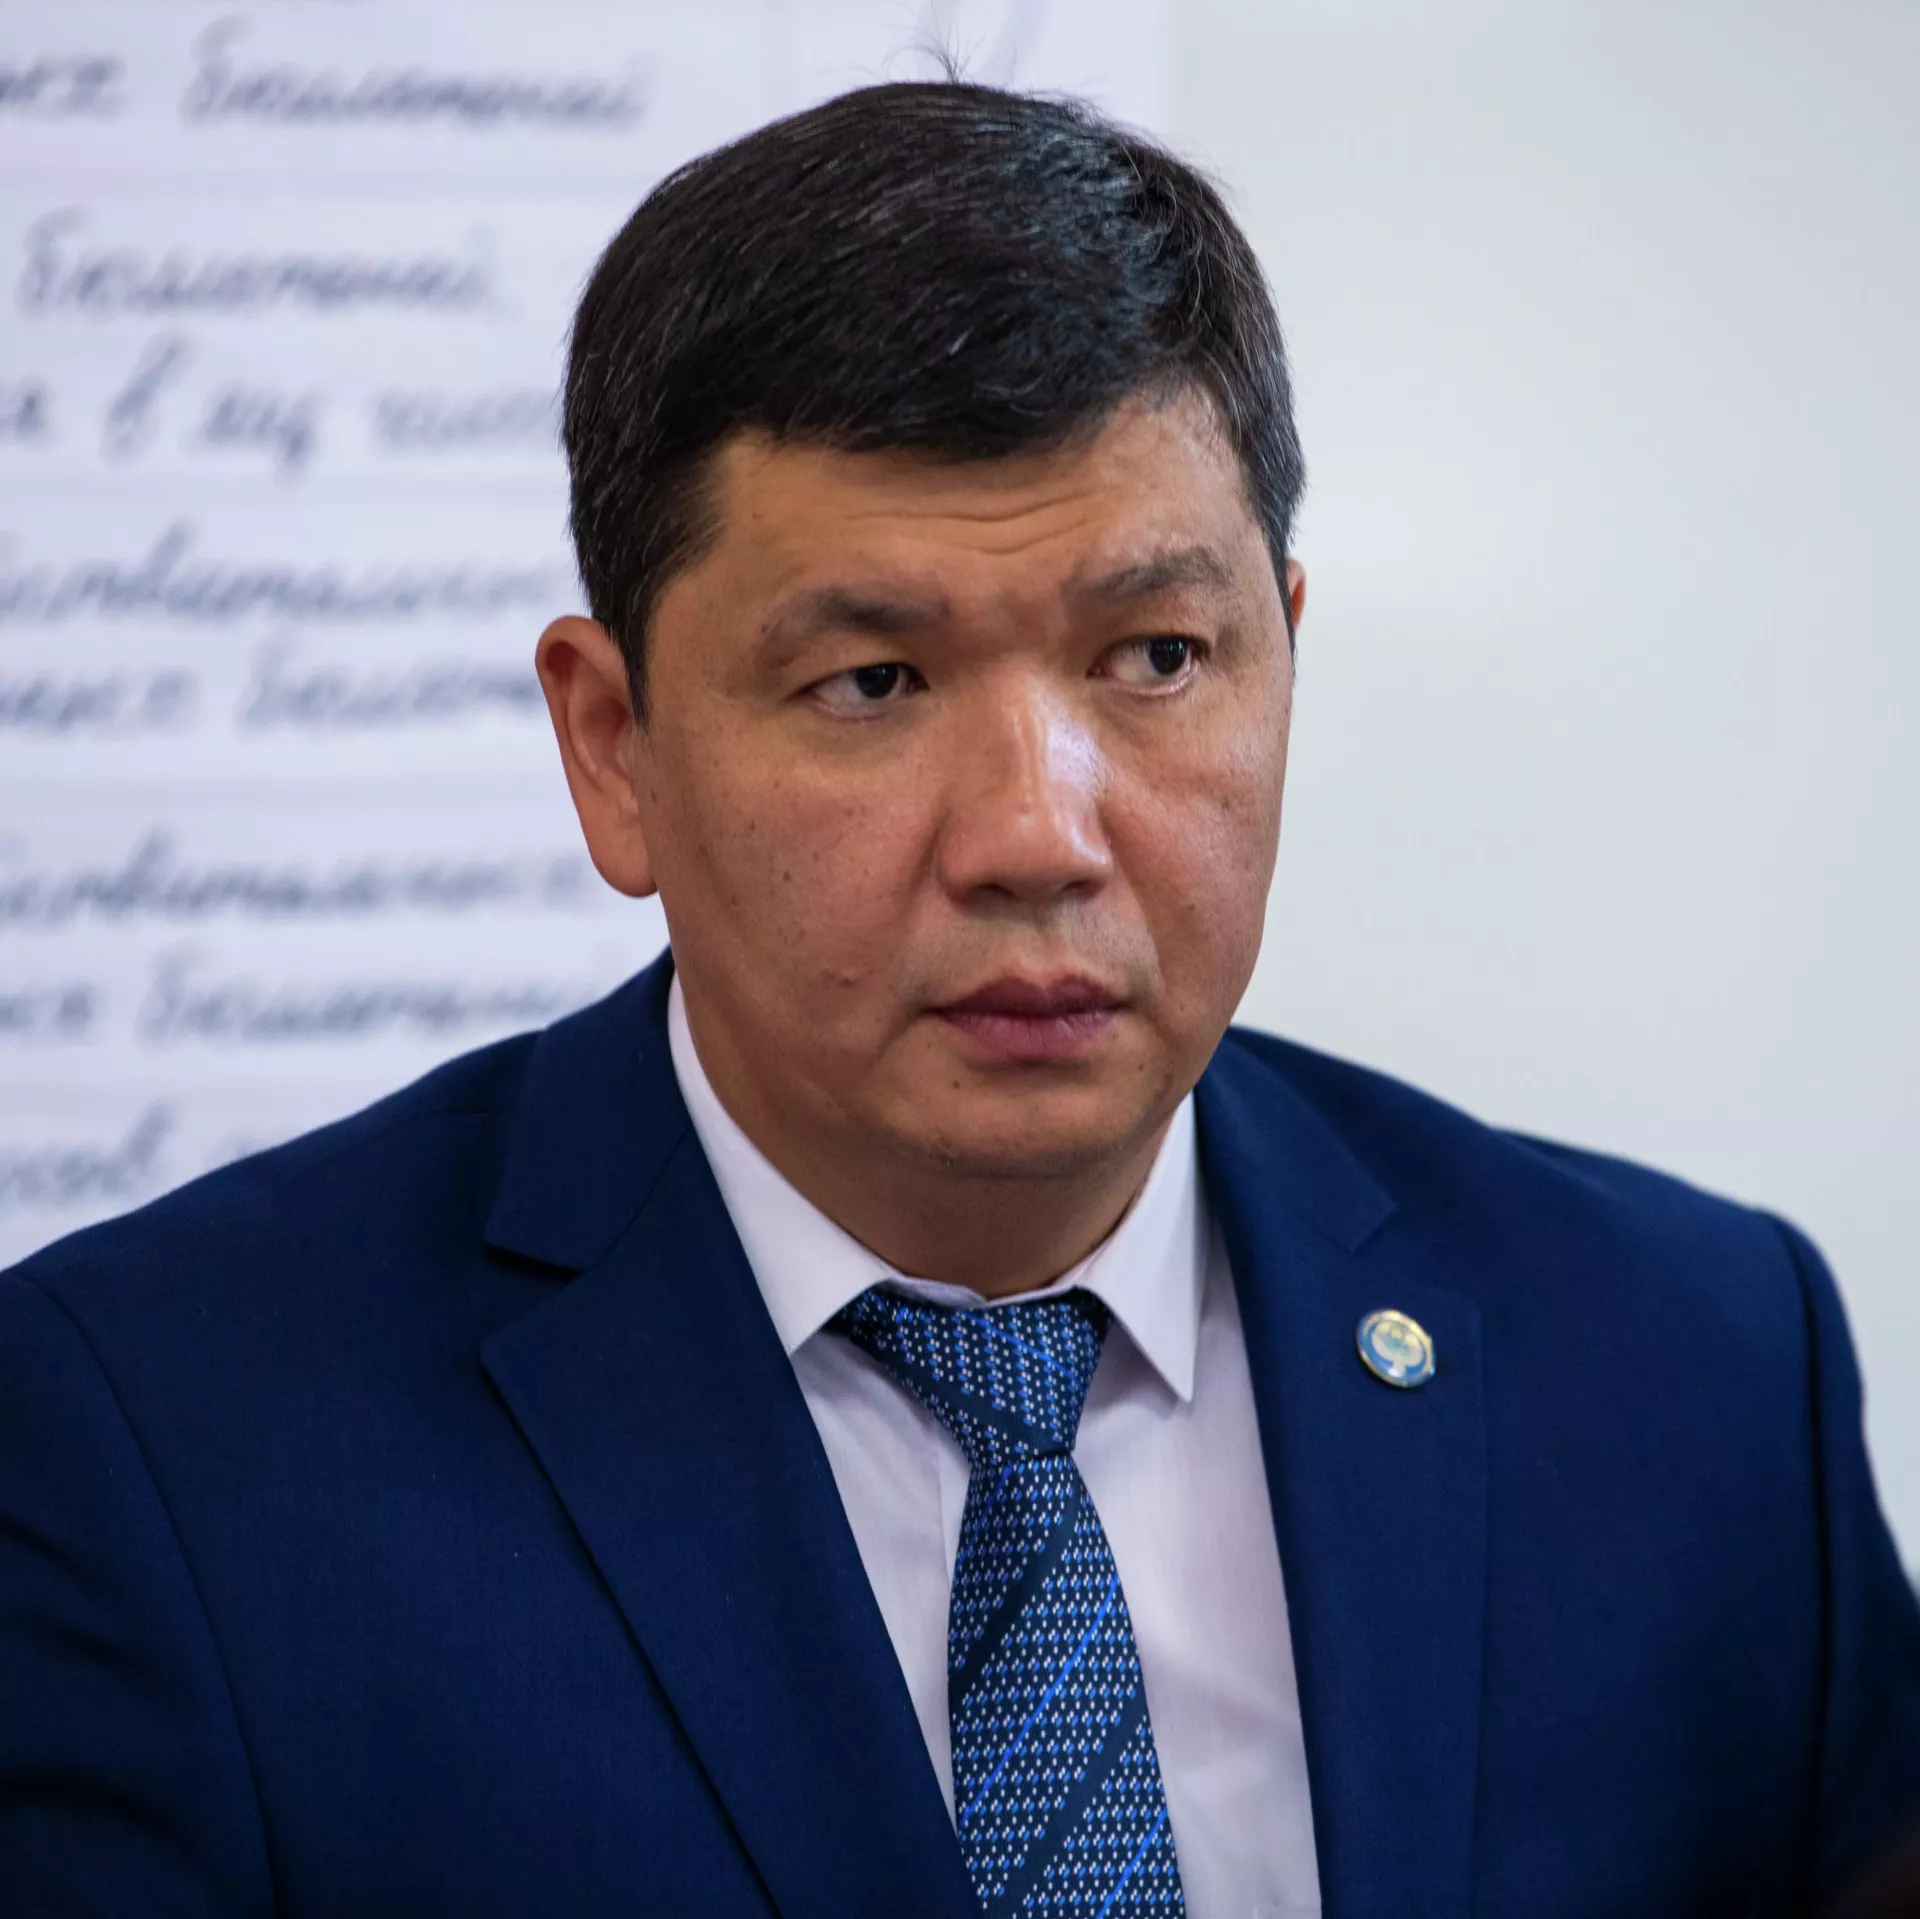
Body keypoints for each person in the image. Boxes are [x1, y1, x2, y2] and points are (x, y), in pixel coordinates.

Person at [2, 81, 1916, 1919]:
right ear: (614, 744)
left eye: (1156, 656)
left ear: (1283, 658)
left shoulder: (1699, 1370)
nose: (1037, 836)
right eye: (873, 683)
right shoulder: (157, 1458)